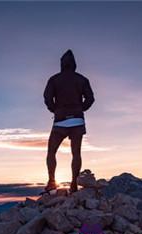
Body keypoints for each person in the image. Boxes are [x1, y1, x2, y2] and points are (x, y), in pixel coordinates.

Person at [42, 49, 95, 194]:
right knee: (76, 153)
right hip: (77, 120)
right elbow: (90, 99)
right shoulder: (82, 79)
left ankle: (52, 182)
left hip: (60, 120)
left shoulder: (54, 79)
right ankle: (73, 184)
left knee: (51, 151)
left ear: (62, 64)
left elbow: (47, 98)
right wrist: (80, 109)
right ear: (74, 64)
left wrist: (55, 110)